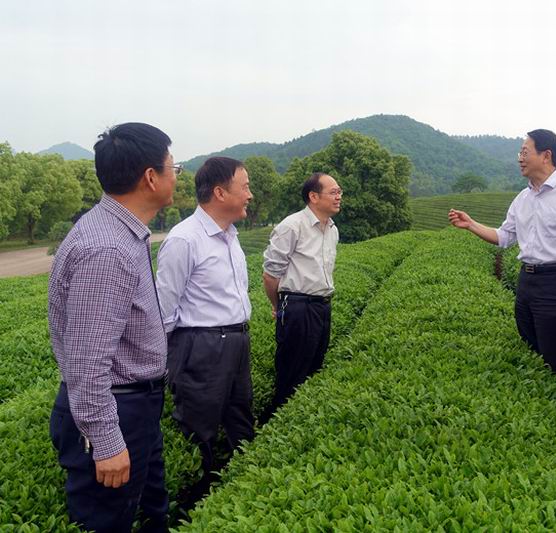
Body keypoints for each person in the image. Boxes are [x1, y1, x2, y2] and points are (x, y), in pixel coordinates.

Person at [48, 122, 178, 533]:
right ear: (151, 177)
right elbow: (87, 364)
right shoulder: (107, 248)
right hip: (117, 408)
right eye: (174, 167)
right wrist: (106, 442)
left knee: (151, 510)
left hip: (135, 405)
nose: (177, 176)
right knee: (107, 522)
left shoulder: (121, 232)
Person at [449, 129, 556, 376]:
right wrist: (471, 224)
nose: (520, 158)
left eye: (525, 152)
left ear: (546, 155)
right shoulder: (522, 198)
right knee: (530, 346)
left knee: (553, 356)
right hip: (527, 280)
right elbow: (504, 237)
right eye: (520, 153)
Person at [155, 156, 255, 490]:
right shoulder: (184, 239)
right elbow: (164, 308)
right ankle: (198, 501)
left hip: (236, 340)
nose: (250, 195)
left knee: (241, 419)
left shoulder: (230, 235)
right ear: (219, 193)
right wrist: (170, 361)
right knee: (200, 429)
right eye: (245, 187)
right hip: (201, 345)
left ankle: (245, 491)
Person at [260, 172, 341, 421]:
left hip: (322, 306)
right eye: (333, 192)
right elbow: (270, 275)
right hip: (297, 306)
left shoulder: (332, 230)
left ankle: (303, 423)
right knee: (292, 373)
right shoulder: (292, 226)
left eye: (340, 192)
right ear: (313, 197)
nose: (339, 196)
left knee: (314, 368)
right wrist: (279, 306)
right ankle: (278, 424)